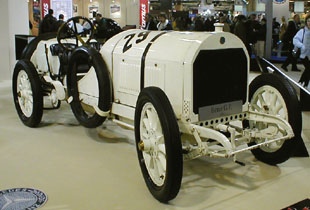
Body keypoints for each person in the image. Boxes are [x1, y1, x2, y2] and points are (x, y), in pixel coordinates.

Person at [293, 14, 310, 87]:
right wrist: (301, 46)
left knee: (308, 69)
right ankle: (302, 82)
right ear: (306, 22)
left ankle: (303, 83)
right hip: (304, 55)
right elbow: (295, 40)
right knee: (309, 68)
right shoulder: (302, 31)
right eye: (309, 21)